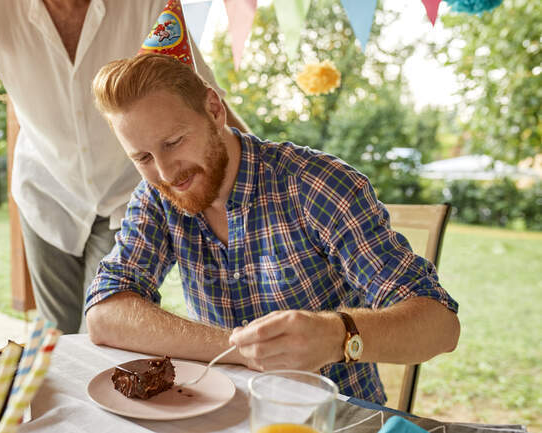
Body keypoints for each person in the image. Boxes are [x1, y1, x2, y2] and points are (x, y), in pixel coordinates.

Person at [85, 53, 460, 404]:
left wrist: (338, 335)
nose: (166, 173)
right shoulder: (157, 196)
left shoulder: (317, 186)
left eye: (174, 142)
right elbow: (104, 313)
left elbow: (441, 325)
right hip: (224, 413)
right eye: (143, 158)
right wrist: (238, 347)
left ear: (214, 110)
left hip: (335, 417)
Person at [0, 0, 247, 334]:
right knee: (54, 337)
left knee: (108, 324)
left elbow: (201, 99)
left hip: (125, 196)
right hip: (47, 195)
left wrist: (264, 169)